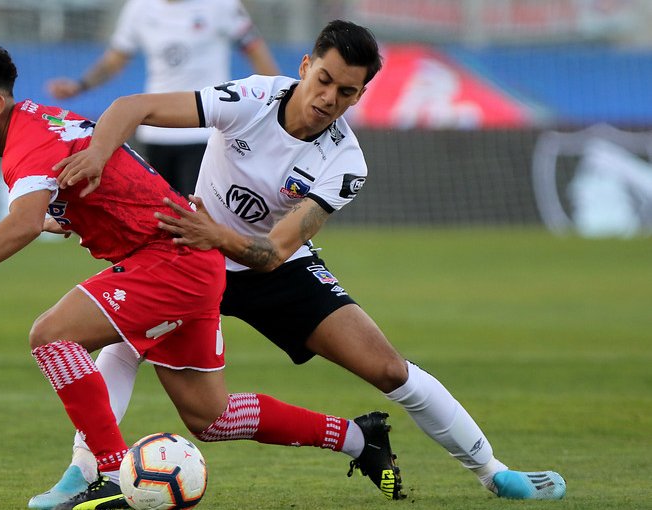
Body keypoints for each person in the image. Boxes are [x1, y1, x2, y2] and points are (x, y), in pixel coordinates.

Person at [43, 19, 568, 506]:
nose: (328, 98)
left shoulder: (346, 162)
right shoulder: (251, 97)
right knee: (139, 354)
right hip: (193, 259)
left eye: (346, 92)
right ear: (303, 67)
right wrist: (96, 157)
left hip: (273, 267)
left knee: (387, 368)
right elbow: (131, 106)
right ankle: (85, 471)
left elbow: (273, 252)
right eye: (324, 79)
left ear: (361, 95)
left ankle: (492, 471)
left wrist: (214, 234)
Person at [0, 41, 403, 510]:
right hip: (185, 263)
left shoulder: (28, 141)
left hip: (170, 262)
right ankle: (359, 438)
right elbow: (104, 184)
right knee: (212, 418)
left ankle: (107, 474)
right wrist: (62, 214)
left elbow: (19, 225)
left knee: (52, 336)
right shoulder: (42, 124)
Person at [46, 0, 279, 196]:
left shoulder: (221, 5)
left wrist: (281, 100)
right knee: (158, 219)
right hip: (157, 131)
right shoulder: (140, 8)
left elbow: (256, 52)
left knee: (198, 217)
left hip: (206, 131)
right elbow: (115, 59)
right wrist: (79, 86)